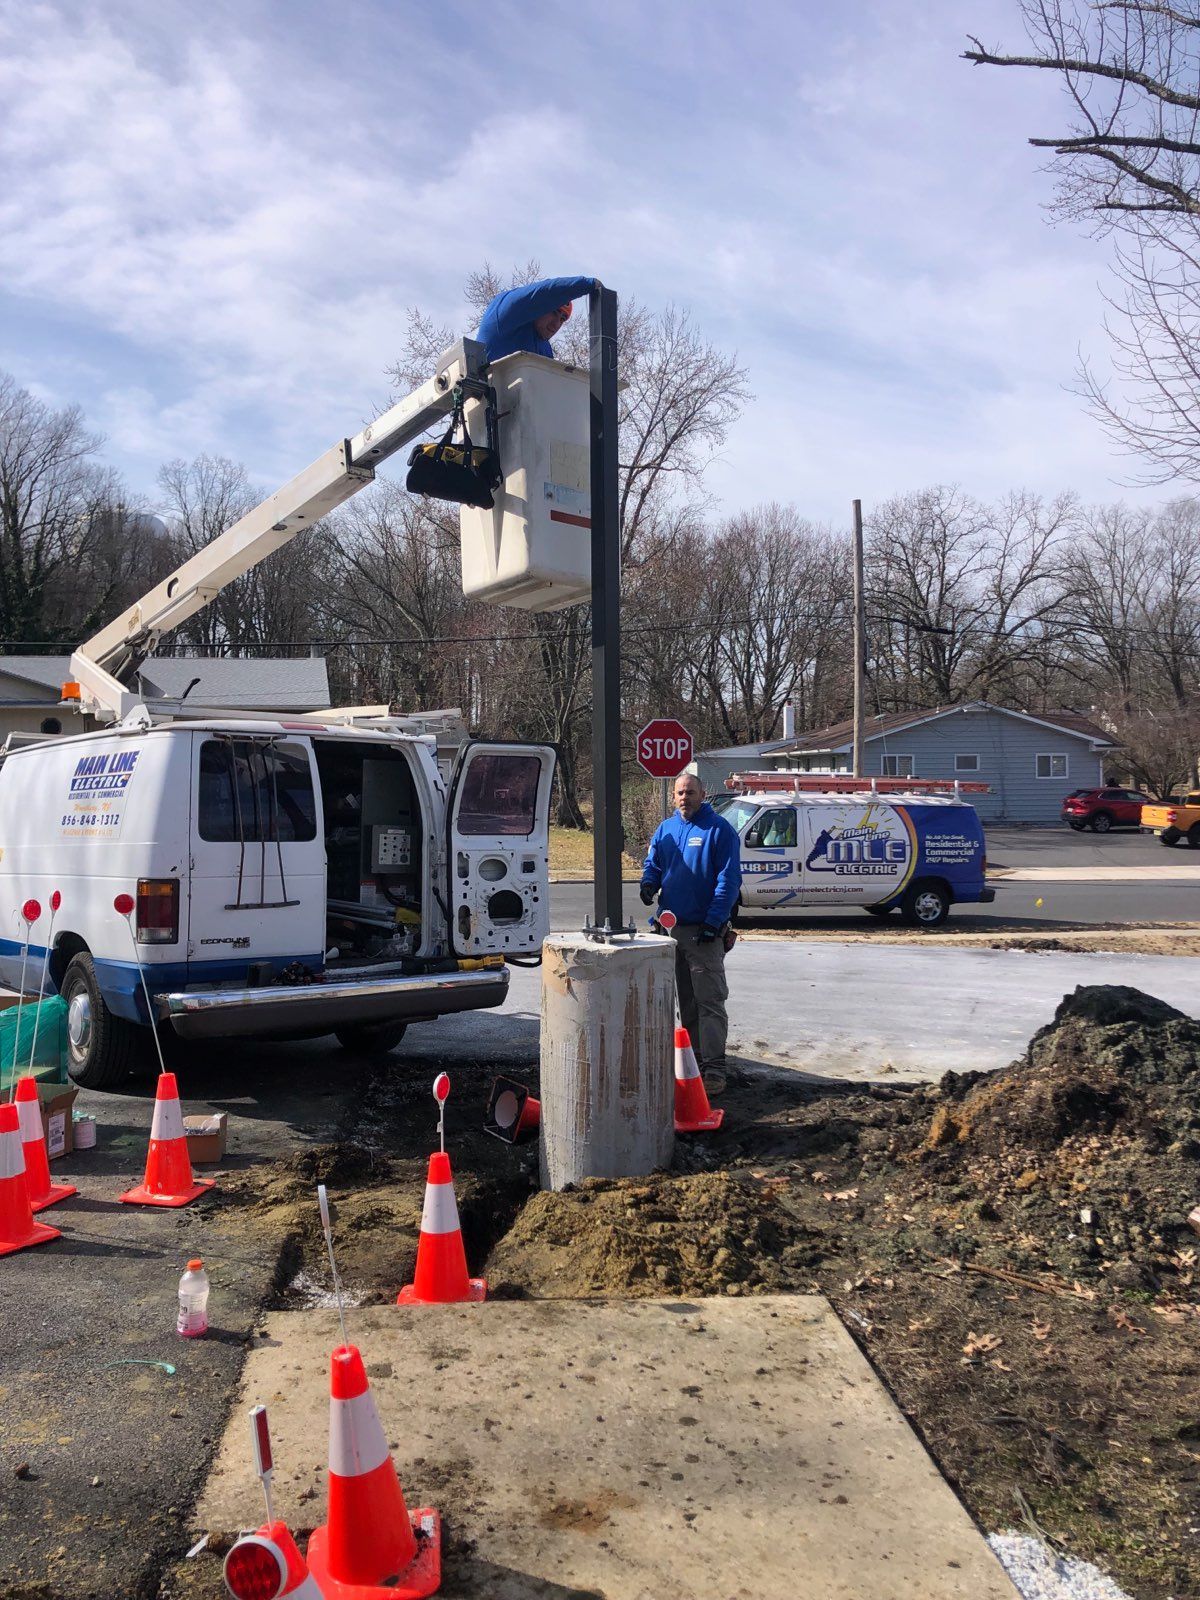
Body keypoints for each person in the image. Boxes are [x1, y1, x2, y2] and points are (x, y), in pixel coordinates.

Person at [640, 773, 742, 1070]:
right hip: (671, 932)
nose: (685, 798)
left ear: (702, 794)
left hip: (704, 933)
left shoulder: (719, 831)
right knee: (685, 1001)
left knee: (709, 1001)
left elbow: (729, 881)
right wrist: (649, 882)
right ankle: (694, 1063)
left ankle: (714, 1067)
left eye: (691, 792)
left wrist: (713, 922)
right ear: (674, 797)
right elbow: (654, 864)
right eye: (680, 793)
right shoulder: (666, 829)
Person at [477, 275, 596, 362]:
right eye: (554, 312)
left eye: (562, 319)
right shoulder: (506, 316)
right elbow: (546, 292)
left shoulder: (545, 350)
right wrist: (589, 284)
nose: (556, 325)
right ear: (540, 307)